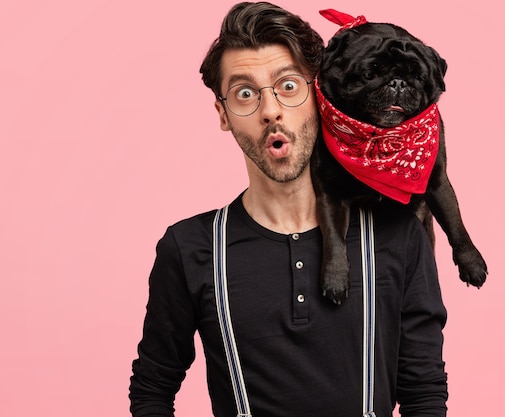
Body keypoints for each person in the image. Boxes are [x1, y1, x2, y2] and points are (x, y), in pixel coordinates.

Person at [129, 2, 448, 416]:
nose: (270, 110)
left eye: (288, 86)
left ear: (320, 94)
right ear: (223, 114)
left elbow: (424, 393)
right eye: (245, 93)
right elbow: (153, 388)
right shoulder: (189, 248)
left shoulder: (398, 233)